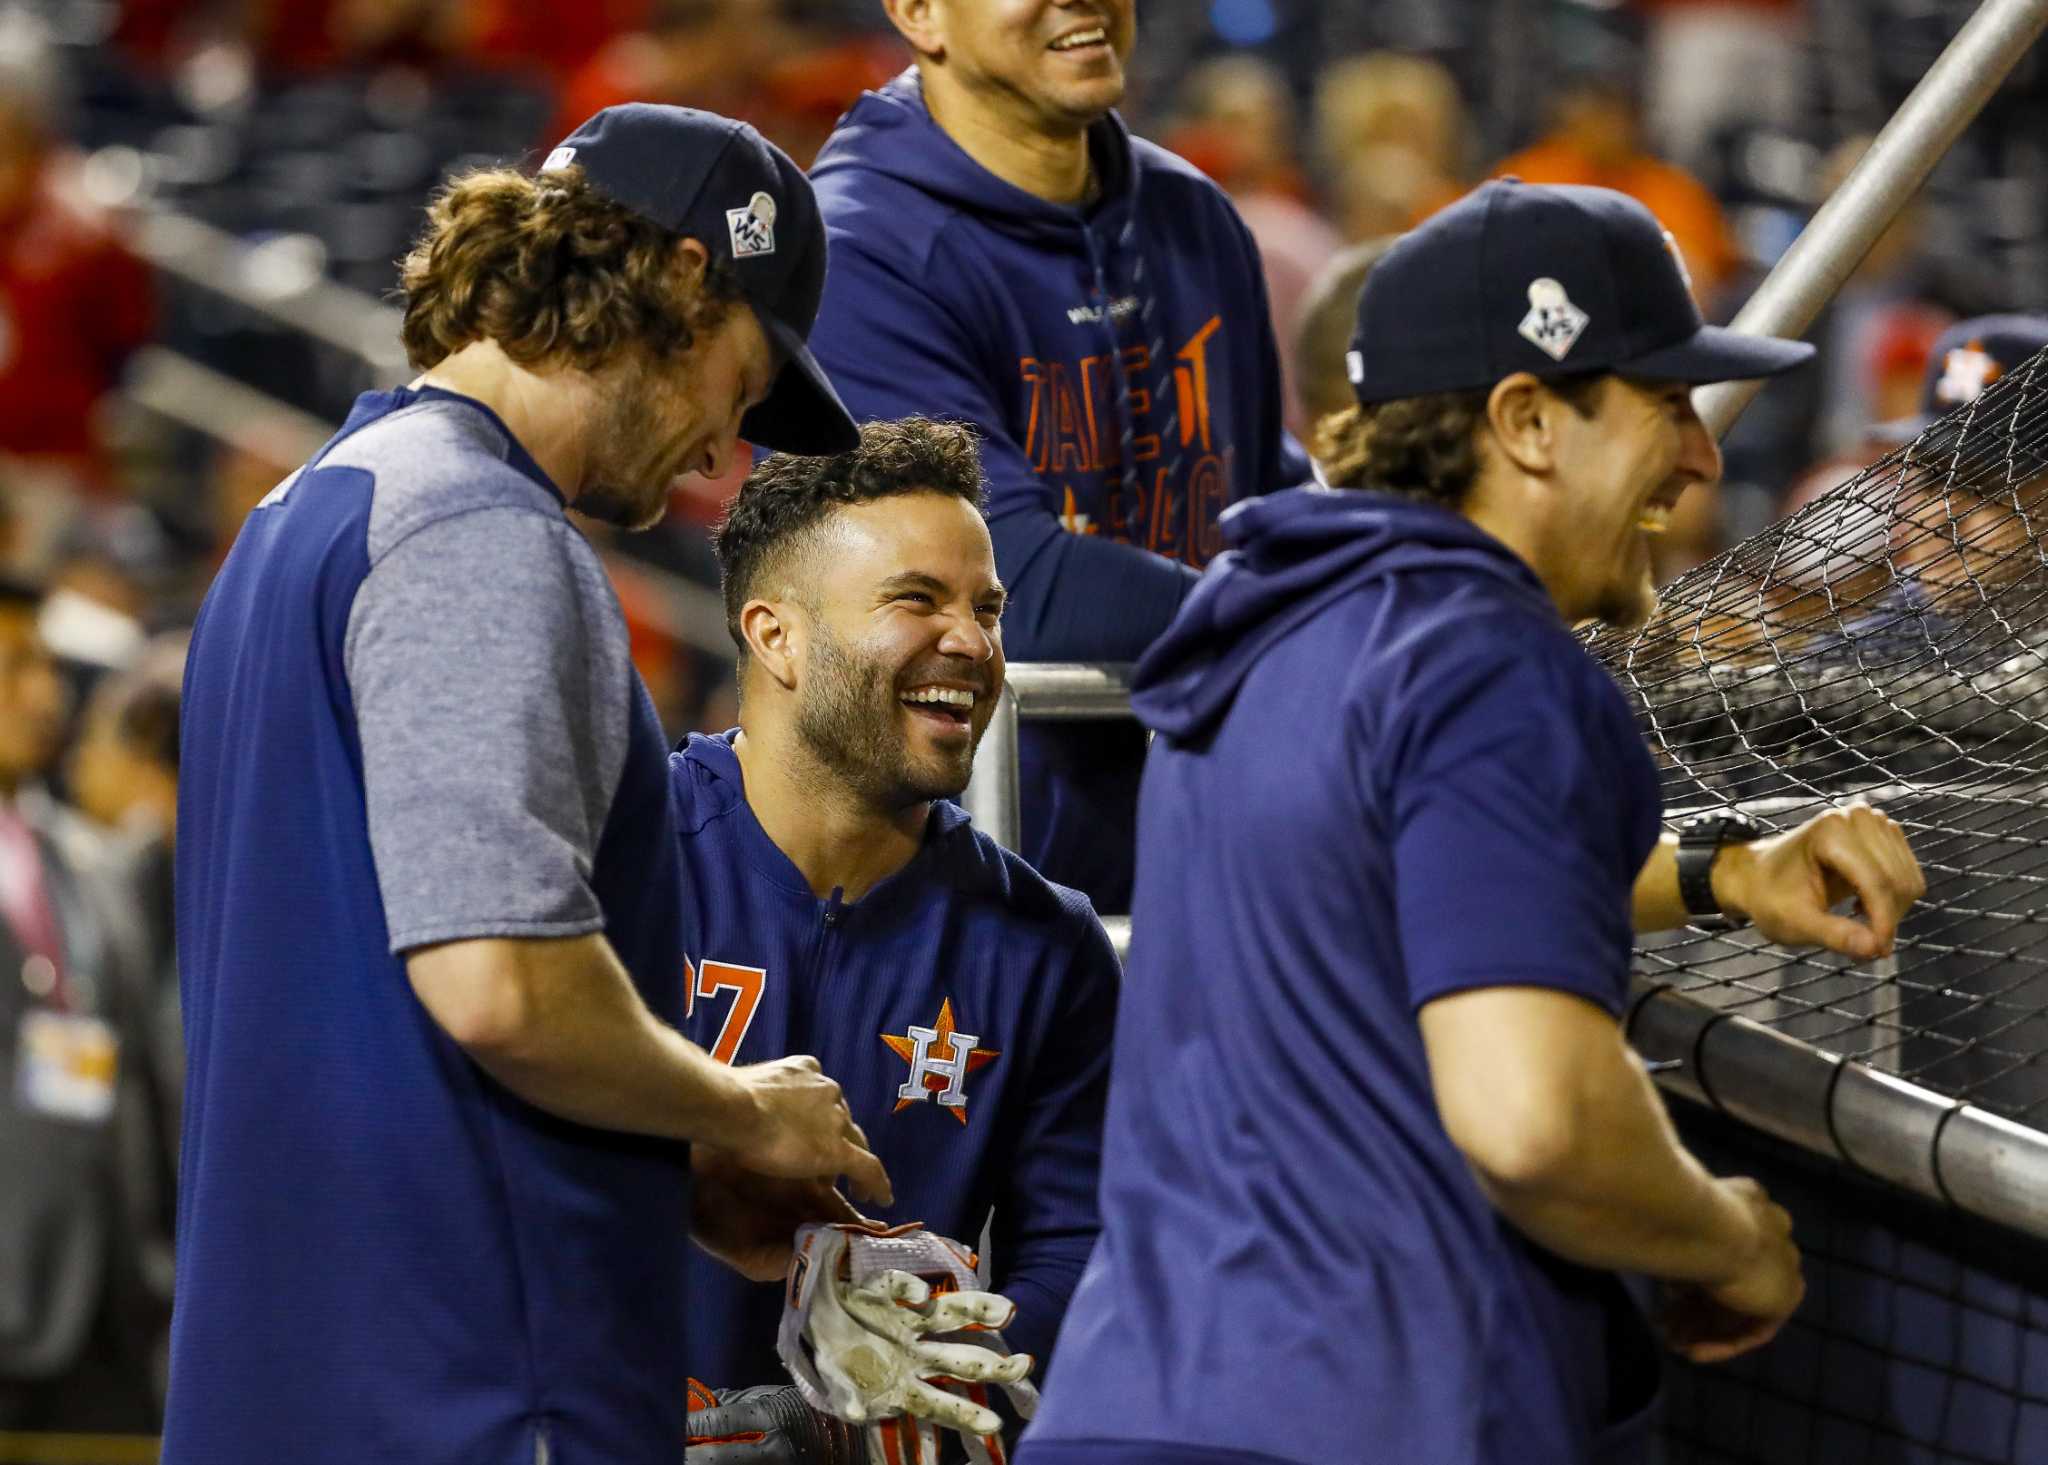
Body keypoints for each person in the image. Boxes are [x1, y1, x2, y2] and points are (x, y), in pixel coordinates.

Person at [1020, 180, 1928, 1465]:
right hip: (1378, 1415)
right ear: (1526, 421)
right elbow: (1533, 1116)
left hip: (1134, 1409)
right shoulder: (1489, 662)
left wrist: (1720, 875)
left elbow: (1399, 892)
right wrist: (1726, 1236)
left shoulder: (1266, 623)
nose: (1701, 453)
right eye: (1662, 402)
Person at [169, 104, 892, 1465]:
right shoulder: (476, 533)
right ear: (685, 278)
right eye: (746, 376)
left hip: (290, 1378)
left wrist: (666, 1162)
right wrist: (742, 1111)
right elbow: (497, 979)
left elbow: (372, 1013)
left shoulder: (308, 511)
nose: (724, 447)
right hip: (470, 1396)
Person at [670, 418, 1120, 1454]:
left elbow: (1076, 1255)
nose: (970, 641)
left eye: (986, 607)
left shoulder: (1046, 942)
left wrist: (915, 1380)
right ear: (774, 634)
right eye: (916, 599)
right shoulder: (618, 860)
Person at [803, 0, 1311, 912]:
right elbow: (1010, 590)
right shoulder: (864, 252)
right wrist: (1323, 629)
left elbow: (1265, 496)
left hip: (1204, 867)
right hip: (956, 912)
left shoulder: (1192, 216)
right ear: (919, 13)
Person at [0, 576, 168, 1435]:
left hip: (108, 1315)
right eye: (17, 664)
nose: (42, 693)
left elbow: (145, 1077)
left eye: (44, 666)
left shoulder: (89, 865)